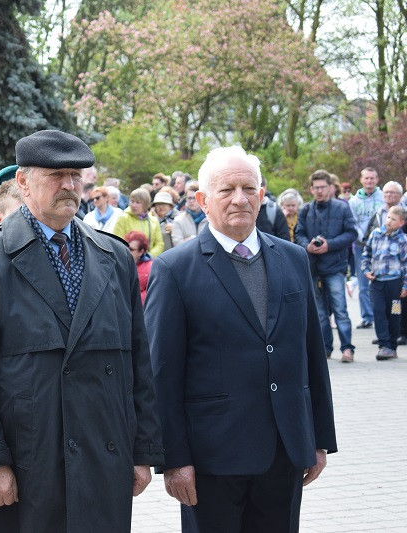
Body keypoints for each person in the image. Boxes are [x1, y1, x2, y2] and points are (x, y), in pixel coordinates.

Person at [0, 129, 163, 532]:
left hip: (103, 461)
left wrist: (142, 451)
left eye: (76, 175)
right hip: (28, 468)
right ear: (23, 181)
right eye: (55, 174)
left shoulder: (113, 255)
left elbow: (138, 362)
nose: (68, 185)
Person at [146, 145, 337, 533]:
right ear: (202, 199)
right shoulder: (174, 269)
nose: (239, 199)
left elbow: (311, 352)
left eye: (249, 188)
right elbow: (161, 373)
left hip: (285, 450)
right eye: (226, 190)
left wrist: (318, 438)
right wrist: (172, 459)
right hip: (211, 458)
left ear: (262, 195)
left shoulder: (293, 258)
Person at [295, 170, 358, 362]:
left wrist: (329, 245)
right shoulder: (305, 209)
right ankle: (325, 348)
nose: (320, 191)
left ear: (331, 188)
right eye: (316, 188)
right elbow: (299, 233)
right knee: (320, 313)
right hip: (313, 267)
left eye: (323, 187)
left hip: (335, 267)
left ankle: (347, 348)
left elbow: (351, 233)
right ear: (311, 189)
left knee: (340, 310)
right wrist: (307, 245)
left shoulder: (342, 208)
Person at [361, 205, 407, 361]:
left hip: (395, 284)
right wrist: (366, 270)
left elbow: (406, 264)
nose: (389, 221)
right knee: (378, 311)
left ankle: (392, 345)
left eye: (393, 219)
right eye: (388, 217)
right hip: (377, 283)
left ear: (401, 223)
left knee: (394, 314)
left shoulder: (402, 240)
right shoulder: (376, 234)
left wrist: (405, 285)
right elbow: (366, 254)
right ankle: (384, 345)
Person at [348, 167, 384, 329]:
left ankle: (385, 315)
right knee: (363, 283)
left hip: (383, 247)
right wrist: (363, 237)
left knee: (385, 282)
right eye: (366, 178)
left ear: (377, 180)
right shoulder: (354, 201)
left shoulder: (384, 197)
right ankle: (367, 317)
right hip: (361, 246)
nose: (369, 181)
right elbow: (352, 222)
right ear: (361, 180)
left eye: (372, 178)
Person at [112, 188, 165, 256]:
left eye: (138, 202)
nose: (134, 205)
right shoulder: (123, 218)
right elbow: (117, 242)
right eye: (132, 201)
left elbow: (159, 244)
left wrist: (149, 256)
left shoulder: (153, 220)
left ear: (145, 204)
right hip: (129, 260)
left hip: (148, 262)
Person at [171, 182, 207, 246]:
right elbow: (177, 245)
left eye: (195, 198)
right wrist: (195, 239)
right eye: (189, 198)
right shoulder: (179, 220)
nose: (191, 201)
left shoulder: (210, 219)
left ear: (201, 199)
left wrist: (189, 240)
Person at [125, 230, 153, 304]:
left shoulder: (151, 267)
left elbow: (152, 292)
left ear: (141, 252)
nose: (127, 251)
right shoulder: (121, 264)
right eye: (125, 248)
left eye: (131, 249)